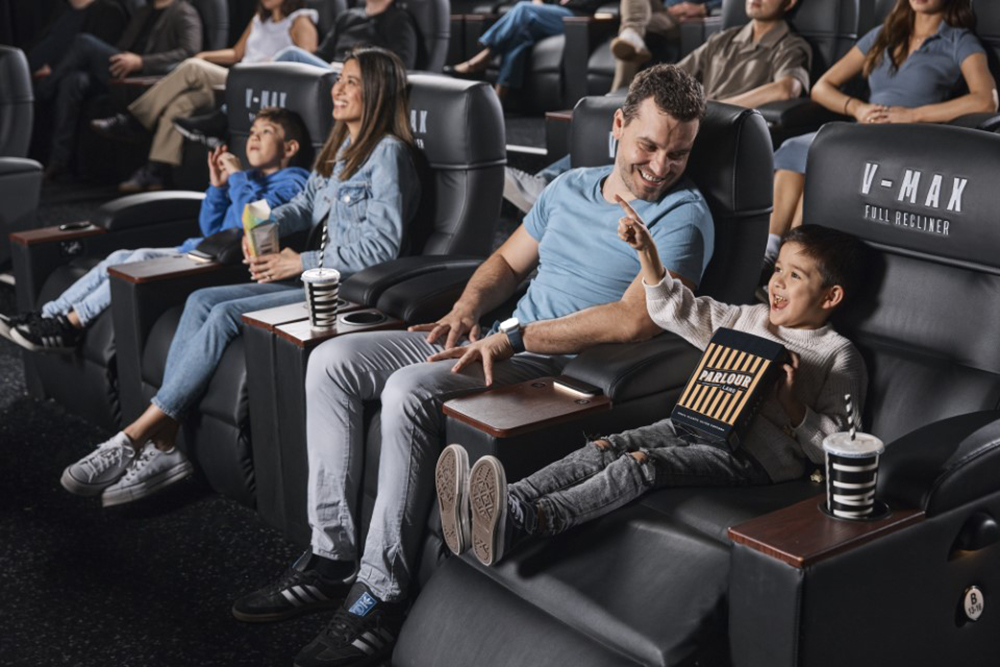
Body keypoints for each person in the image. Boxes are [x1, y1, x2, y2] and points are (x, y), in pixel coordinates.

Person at [232, 64, 714, 667]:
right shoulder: (570, 188)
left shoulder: (683, 216)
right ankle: (331, 558)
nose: (661, 166)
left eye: (679, 153)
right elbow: (507, 264)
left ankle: (380, 595)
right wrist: (464, 311)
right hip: (496, 340)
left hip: (557, 369)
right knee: (331, 361)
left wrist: (515, 338)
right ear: (619, 126)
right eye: (649, 145)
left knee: (408, 389)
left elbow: (634, 320)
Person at [57, 47, 419, 510]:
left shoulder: (388, 153)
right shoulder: (342, 147)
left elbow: (382, 249)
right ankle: (166, 444)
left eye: (351, 82)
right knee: (201, 300)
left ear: (378, 91)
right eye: (339, 80)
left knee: (226, 312)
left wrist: (299, 262)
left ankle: (138, 435)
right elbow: (304, 207)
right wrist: (257, 225)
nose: (338, 89)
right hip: (308, 279)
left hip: (343, 294)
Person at [436, 220, 869, 567]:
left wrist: (794, 408)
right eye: (778, 270)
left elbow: (842, 447)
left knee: (642, 465)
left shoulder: (838, 356)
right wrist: (648, 255)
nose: (778, 283)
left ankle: (529, 520)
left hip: (755, 457)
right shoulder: (748, 318)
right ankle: (500, 502)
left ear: (830, 295)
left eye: (795, 276)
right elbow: (676, 310)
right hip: (698, 419)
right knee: (608, 446)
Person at [3, 108, 311, 352]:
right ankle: (48, 316)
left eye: (266, 132)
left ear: (290, 147)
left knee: (136, 258)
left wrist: (236, 178)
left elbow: (256, 220)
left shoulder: (292, 181)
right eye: (253, 132)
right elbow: (211, 227)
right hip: (202, 248)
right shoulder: (248, 178)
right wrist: (217, 188)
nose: (254, 138)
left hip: (220, 262)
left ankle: (70, 325)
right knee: (121, 256)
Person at [505, 0, 812, 213]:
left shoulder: (790, 45)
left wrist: (718, 106)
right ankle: (550, 184)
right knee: (634, 121)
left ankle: (548, 188)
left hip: (723, 126)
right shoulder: (725, 39)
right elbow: (677, 73)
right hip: (688, 117)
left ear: (788, 3)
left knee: (648, 140)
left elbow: (787, 86)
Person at [764, 0, 997, 269]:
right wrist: (857, 107)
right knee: (797, 147)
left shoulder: (960, 40)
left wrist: (913, 115)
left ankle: (793, 262)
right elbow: (822, 87)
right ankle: (770, 250)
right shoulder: (882, 34)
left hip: (907, 137)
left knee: (823, 161)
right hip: (863, 128)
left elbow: (986, 101)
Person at [89, 0, 318, 193]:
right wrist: (205, 55)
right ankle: (155, 171)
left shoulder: (300, 20)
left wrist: (270, 61)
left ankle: (136, 119)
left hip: (257, 83)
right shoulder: (259, 19)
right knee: (181, 103)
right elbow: (237, 53)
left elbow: (303, 62)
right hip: (236, 77)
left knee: (193, 68)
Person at [174, 0, 419, 148]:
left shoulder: (398, 19)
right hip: (332, 73)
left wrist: (353, 69)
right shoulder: (348, 17)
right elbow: (321, 54)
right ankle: (232, 122)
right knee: (286, 64)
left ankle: (222, 119)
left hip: (360, 79)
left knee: (290, 54)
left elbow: (400, 64)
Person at [34, 0, 203, 180]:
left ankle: (40, 93)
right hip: (122, 68)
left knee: (84, 42)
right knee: (73, 81)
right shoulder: (144, 11)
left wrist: (141, 61)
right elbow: (122, 48)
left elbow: (189, 52)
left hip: (146, 75)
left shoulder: (183, 11)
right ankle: (59, 162)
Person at [445, 0, 606, 100]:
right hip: (548, 15)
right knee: (520, 36)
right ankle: (498, 97)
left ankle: (484, 54)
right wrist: (538, 5)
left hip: (573, 17)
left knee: (522, 8)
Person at [611, 0, 721, 91]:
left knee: (632, 33)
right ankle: (632, 32)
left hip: (685, 15)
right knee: (636, 24)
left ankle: (631, 32)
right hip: (662, 8)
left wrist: (702, 8)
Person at [27, 0, 129, 78]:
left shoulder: (109, 10)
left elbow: (94, 59)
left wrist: (53, 69)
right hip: (33, 73)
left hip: (66, 77)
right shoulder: (62, 9)